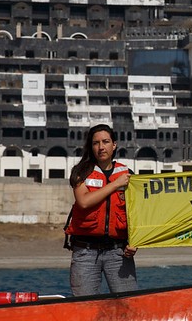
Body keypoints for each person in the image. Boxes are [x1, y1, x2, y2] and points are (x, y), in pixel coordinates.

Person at [63, 124, 138, 296]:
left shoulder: (128, 174)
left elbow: (136, 214)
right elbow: (83, 202)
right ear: (91, 146)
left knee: (127, 306)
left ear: (114, 145)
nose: (101, 147)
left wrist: (135, 243)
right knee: (85, 307)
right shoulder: (80, 172)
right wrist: (116, 184)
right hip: (85, 253)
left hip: (119, 252)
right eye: (96, 143)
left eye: (105, 142)